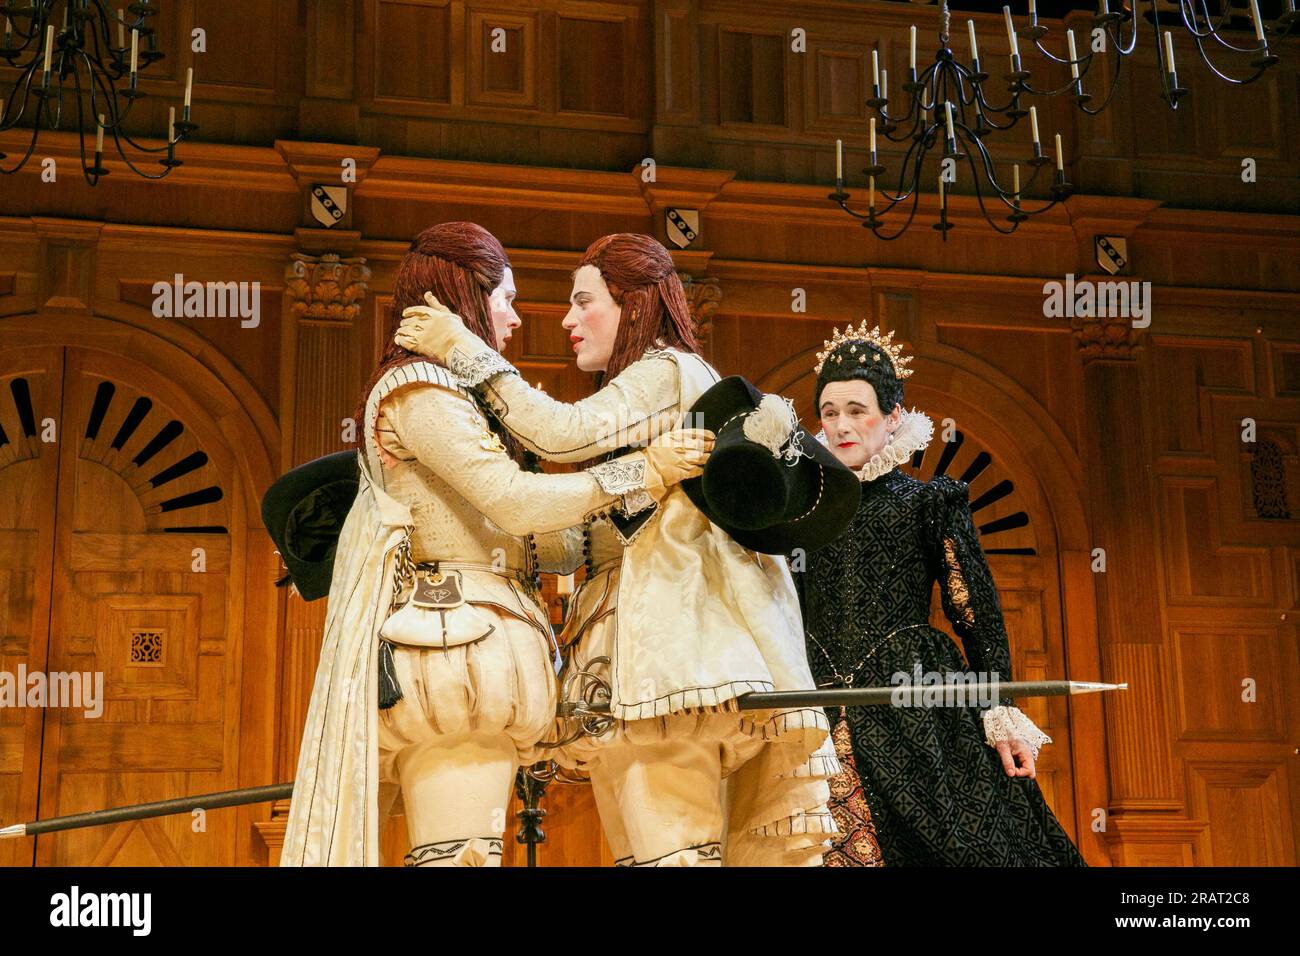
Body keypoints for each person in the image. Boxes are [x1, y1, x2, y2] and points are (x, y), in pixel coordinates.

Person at [395, 233, 840, 866]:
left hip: (667, 650)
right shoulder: (645, 390)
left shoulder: (666, 369)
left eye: (583, 301)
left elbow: (561, 432)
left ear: (632, 304)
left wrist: (463, 351)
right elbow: (575, 534)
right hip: (634, 645)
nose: (566, 320)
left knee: (673, 855)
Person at [279, 223, 712, 866]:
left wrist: (623, 521)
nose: (517, 320)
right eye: (505, 298)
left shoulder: (457, 394)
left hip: (478, 643)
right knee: (465, 857)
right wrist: (642, 472)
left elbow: (534, 536)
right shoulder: (422, 390)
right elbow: (516, 496)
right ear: (465, 297)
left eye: (580, 301)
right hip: (452, 647)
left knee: (471, 855)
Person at [794, 321, 1086, 866]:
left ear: (894, 416)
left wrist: (999, 710)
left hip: (914, 702)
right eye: (830, 412)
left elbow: (973, 612)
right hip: (816, 701)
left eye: (858, 409)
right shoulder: (805, 509)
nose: (841, 424)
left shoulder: (927, 502)